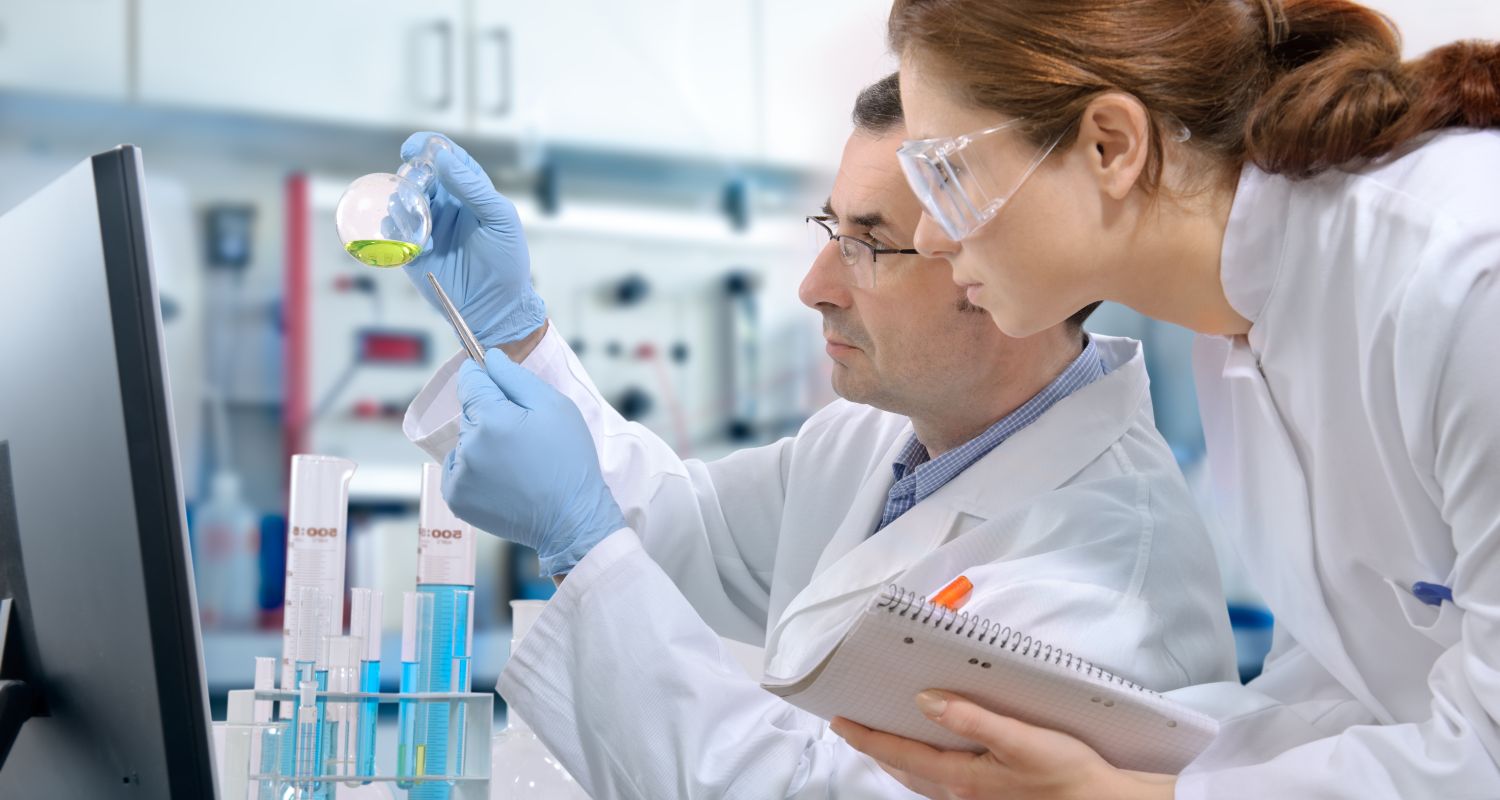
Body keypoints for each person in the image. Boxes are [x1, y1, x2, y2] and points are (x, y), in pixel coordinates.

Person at [399, 74, 1236, 798]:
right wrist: (509, 333)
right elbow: (681, 533)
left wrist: (579, 541)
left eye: (869, 244)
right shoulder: (876, 440)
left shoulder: (1104, 591)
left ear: (1007, 264)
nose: (815, 285)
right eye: (829, 230)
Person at [831, 1, 1500, 798]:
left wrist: (1120, 795)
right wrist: (1089, 754)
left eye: (949, 174)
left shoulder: (1464, 276)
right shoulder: (1240, 327)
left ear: (1110, 145)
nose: (934, 238)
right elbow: (1345, 689)